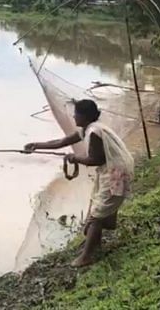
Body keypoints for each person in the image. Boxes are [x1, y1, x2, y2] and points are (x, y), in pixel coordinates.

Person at [24, 99, 134, 267]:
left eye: (76, 114)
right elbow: (61, 142)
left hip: (115, 173)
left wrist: (74, 158)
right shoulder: (89, 128)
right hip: (112, 169)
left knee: (97, 214)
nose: (74, 117)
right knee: (98, 204)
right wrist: (36, 145)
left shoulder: (94, 133)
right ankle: (95, 245)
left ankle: (86, 256)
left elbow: (95, 160)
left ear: (85, 116)